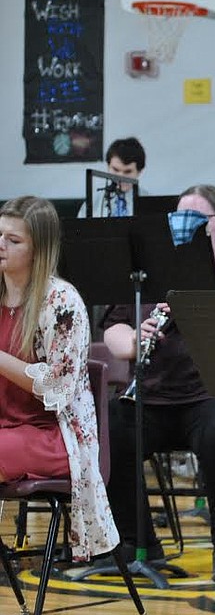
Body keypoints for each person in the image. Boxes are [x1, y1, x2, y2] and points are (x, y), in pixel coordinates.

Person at [100, 184, 215, 582]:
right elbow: (113, 326)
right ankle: (136, 540)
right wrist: (135, 339)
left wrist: (202, 318)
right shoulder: (157, 266)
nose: (185, 228)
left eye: (196, 220)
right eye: (178, 220)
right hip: (158, 393)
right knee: (109, 428)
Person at [0, 196, 120, 561]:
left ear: (39, 249)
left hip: (54, 435)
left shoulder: (62, 302)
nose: (0, 245)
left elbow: (58, 387)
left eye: (13, 240)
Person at [80, 137, 146, 218]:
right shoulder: (93, 201)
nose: (120, 177)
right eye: (115, 169)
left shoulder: (149, 203)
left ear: (139, 171)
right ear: (108, 166)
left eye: (127, 171)